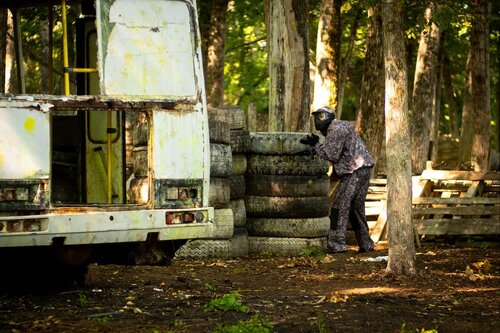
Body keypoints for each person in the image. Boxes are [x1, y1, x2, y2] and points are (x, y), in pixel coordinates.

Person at [300, 106, 375, 254]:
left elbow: (332, 154)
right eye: (316, 117)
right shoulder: (340, 126)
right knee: (356, 208)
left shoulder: (335, 128)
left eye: (321, 117)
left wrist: (315, 146)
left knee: (339, 206)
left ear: (329, 117)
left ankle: (336, 245)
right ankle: (366, 244)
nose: (317, 120)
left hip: (356, 170)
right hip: (363, 168)